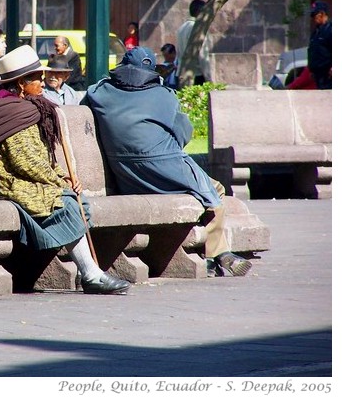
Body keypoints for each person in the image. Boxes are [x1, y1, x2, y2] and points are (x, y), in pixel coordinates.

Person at [0, 45, 131, 294]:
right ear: (22, 83)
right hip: (4, 181)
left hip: (20, 176)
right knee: (63, 201)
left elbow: (38, 161)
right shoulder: (14, 112)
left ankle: (85, 270)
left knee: (73, 200)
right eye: (37, 79)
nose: (43, 84)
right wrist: (60, 182)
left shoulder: (21, 105)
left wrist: (61, 177)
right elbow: (26, 162)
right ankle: (90, 274)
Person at [83, 46, 252, 278]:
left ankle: (216, 253)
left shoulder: (98, 93)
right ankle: (215, 254)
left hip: (126, 177)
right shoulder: (165, 96)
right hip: (168, 170)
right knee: (215, 191)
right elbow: (184, 135)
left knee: (200, 191)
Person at [176, 0, 211, 86]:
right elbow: (202, 55)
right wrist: (208, 78)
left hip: (182, 73)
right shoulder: (197, 28)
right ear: (199, 11)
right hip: (196, 75)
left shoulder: (182, 28)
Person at [307, 1, 332, 89]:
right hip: (318, 74)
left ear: (322, 14)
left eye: (314, 15)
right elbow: (312, 50)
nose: (313, 18)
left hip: (328, 74)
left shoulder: (330, 29)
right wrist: (311, 69)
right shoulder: (316, 32)